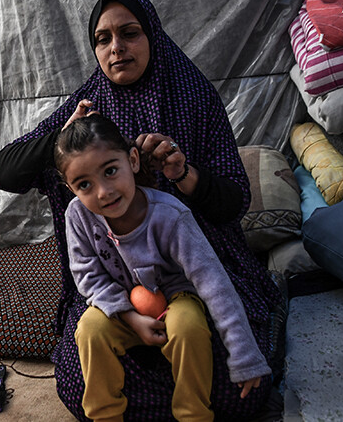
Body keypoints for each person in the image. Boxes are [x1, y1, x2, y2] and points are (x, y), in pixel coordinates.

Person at [0, 0, 281, 420]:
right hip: (114, 274)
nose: (116, 48)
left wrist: (183, 173)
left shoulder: (193, 99)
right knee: (79, 376)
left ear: (153, 37)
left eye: (129, 33)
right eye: (103, 39)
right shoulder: (88, 107)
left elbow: (233, 203)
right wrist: (62, 140)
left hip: (194, 272)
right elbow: (4, 172)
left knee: (237, 381)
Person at [54, 114, 270, 421]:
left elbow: (214, 282)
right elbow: (87, 276)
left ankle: (192, 414)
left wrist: (245, 356)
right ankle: (104, 415)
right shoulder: (78, 216)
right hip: (121, 301)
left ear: (132, 160)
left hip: (176, 295)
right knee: (89, 329)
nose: (103, 191)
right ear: (70, 187)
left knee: (188, 327)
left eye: (111, 171)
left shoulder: (170, 215)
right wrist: (129, 317)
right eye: (84, 184)